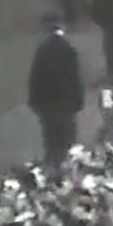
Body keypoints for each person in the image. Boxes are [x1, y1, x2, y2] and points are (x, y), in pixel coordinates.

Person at [28, 14, 85, 168]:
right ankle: (67, 169)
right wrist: (78, 100)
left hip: (48, 103)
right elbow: (74, 77)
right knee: (67, 140)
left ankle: (53, 169)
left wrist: (34, 102)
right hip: (66, 103)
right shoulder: (68, 49)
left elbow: (36, 78)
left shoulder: (42, 50)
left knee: (51, 140)